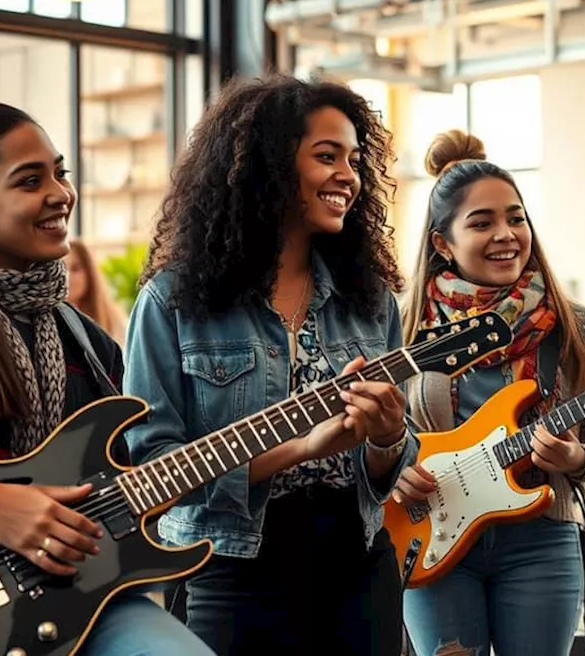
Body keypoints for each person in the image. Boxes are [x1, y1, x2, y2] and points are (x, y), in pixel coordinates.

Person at [122, 74, 417, 656]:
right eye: (326, 156)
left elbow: (390, 468)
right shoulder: (174, 299)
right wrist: (302, 448)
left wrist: (386, 437)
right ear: (270, 166)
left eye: (355, 160)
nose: (348, 176)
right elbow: (152, 468)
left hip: (355, 559)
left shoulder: (372, 301)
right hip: (227, 565)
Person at [0, 102, 212, 656]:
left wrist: (300, 444)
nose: (61, 193)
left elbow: (121, 475)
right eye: (30, 180)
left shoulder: (88, 342)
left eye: (60, 172)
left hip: (72, 598)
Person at [393, 130, 585, 656]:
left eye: (515, 218)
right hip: (431, 536)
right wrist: (393, 464)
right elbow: (375, 433)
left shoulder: (571, 324)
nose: (506, 234)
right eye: (482, 222)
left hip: (543, 539)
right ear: (442, 244)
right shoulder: (405, 329)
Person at [66, 238, 126, 344]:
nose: (68, 276)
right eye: (62, 268)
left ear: (90, 273)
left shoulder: (114, 321)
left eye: (75, 269)